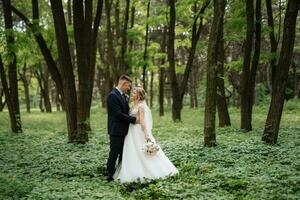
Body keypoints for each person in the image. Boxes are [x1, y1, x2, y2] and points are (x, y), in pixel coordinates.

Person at [113, 86, 179, 183]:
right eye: (133, 92)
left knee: (141, 151)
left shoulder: (141, 106)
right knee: (131, 150)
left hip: (138, 131)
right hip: (130, 132)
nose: (132, 94)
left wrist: (146, 135)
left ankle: (151, 172)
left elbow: (143, 122)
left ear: (139, 96)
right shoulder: (132, 105)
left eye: (134, 93)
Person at [106, 75, 138, 182]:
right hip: (116, 130)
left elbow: (125, 111)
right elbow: (118, 114)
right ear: (123, 84)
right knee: (114, 152)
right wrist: (134, 120)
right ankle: (110, 174)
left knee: (123, 153)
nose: (128, 88)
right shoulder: (112, 96)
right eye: (128, 86)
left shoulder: (123, 96)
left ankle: (120, 173)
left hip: (124, 130)